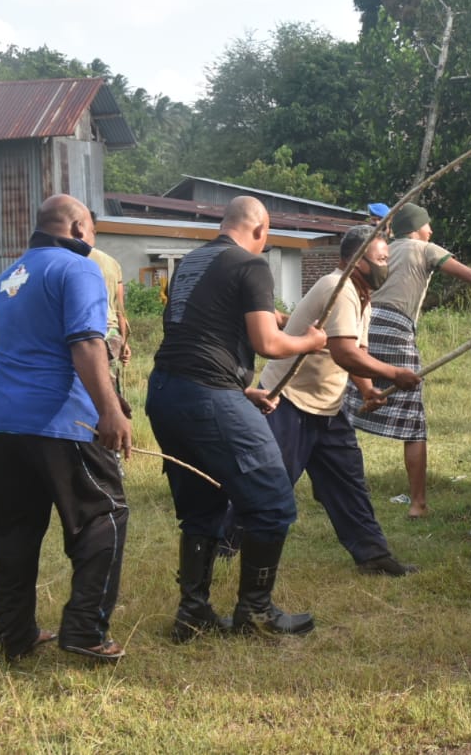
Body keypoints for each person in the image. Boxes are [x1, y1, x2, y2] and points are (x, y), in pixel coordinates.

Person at [144, 196, 327, 642]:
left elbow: (197, 335)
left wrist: (240, 390)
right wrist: (310, 340)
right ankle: (256, 613)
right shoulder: (250, 264)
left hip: (167, 392)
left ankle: (193, 614)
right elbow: (268, 342)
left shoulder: (191, 262)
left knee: (201, 508)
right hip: (205, 395)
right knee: (272, 502)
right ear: (261, 231)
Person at [0, 195, 133, 663]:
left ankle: (15, 635)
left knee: (10, 531)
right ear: (80, 226)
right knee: (101, 517)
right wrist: (108, 410)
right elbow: (85, 341)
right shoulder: (78, 267)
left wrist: (110, 396)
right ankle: (86, 630)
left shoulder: (9, 277)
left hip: (0, 421)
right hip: (61, 419)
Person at [344, 203, 471, 518]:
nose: (431, 230)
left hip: (364, 325)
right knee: (414, 424)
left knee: (348, 409)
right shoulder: (424, 248)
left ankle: (336, 487)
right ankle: (417, 504)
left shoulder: (386, 248)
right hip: (396, 329)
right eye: (428, 225)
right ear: (417, 227)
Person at [258, 226, 422, 576]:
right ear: (353, 260)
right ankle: (224, 545)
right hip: (288, 401)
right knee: (270, 483)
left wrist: (365, 389)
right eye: (379, 259)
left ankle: (374, 557)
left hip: (327, 407)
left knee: (348, 483)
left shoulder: (362, 294)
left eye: (386, 260)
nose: (385, 267)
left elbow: (356, 350)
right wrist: (394, 375)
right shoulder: (340, 288)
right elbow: (345, 353)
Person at [87, 211, 132, 397]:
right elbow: (120, 309)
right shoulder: (111, 262)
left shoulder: (68, 259)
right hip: (111, 334)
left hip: (85, 335)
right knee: (112, 394)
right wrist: (124, 342)